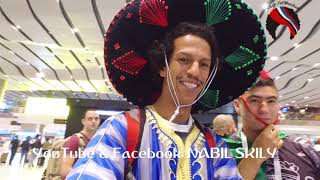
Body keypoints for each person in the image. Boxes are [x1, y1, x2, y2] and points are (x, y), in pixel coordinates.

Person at [66, 0, 267, 179]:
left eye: (204, 64)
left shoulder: (214, 145)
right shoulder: (121, 130)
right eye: (183, 60)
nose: (195, 71)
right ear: (162, 66)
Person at [224, 70, 320, 179]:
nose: (264, 109)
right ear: (237, 106)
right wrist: (255, 155)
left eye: (271, 101)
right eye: (254, 101)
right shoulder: (221, 150)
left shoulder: (305, 150)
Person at [60, 109, 100, 178]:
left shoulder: (99, 140)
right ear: (83, 121)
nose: (93, 121)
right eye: (90, 119)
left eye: (96, 119)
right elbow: (65, 170)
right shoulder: (75, 140)